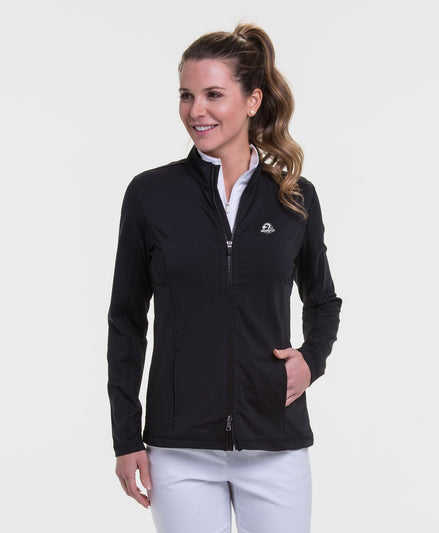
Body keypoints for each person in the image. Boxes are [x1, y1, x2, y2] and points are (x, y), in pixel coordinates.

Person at [106, 22, 342, 533]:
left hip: (274, 442)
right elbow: (126, 321)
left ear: (253, 100)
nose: (197, 110)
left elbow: (323, 300)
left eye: (214, 94)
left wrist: (312, 360)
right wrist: (126, 437)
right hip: (178, 449)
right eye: (186, 95)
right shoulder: (151, 195)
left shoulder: (294, 197)